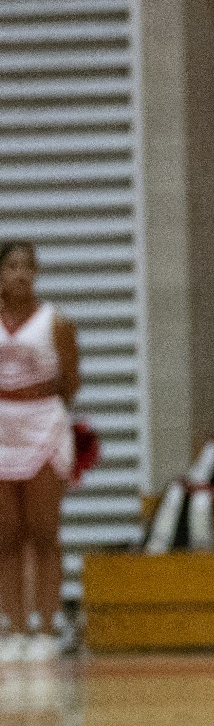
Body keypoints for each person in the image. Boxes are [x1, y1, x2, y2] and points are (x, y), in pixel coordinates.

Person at [0, 242, 80, 663]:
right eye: (11, 266)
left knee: (43, 530)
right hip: (1, 425)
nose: (20, 275)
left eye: (27, 267)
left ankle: (47, 627)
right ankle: (13, 629)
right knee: (7, 533)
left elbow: (71, 381)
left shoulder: (56, 323)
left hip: (43, 421)